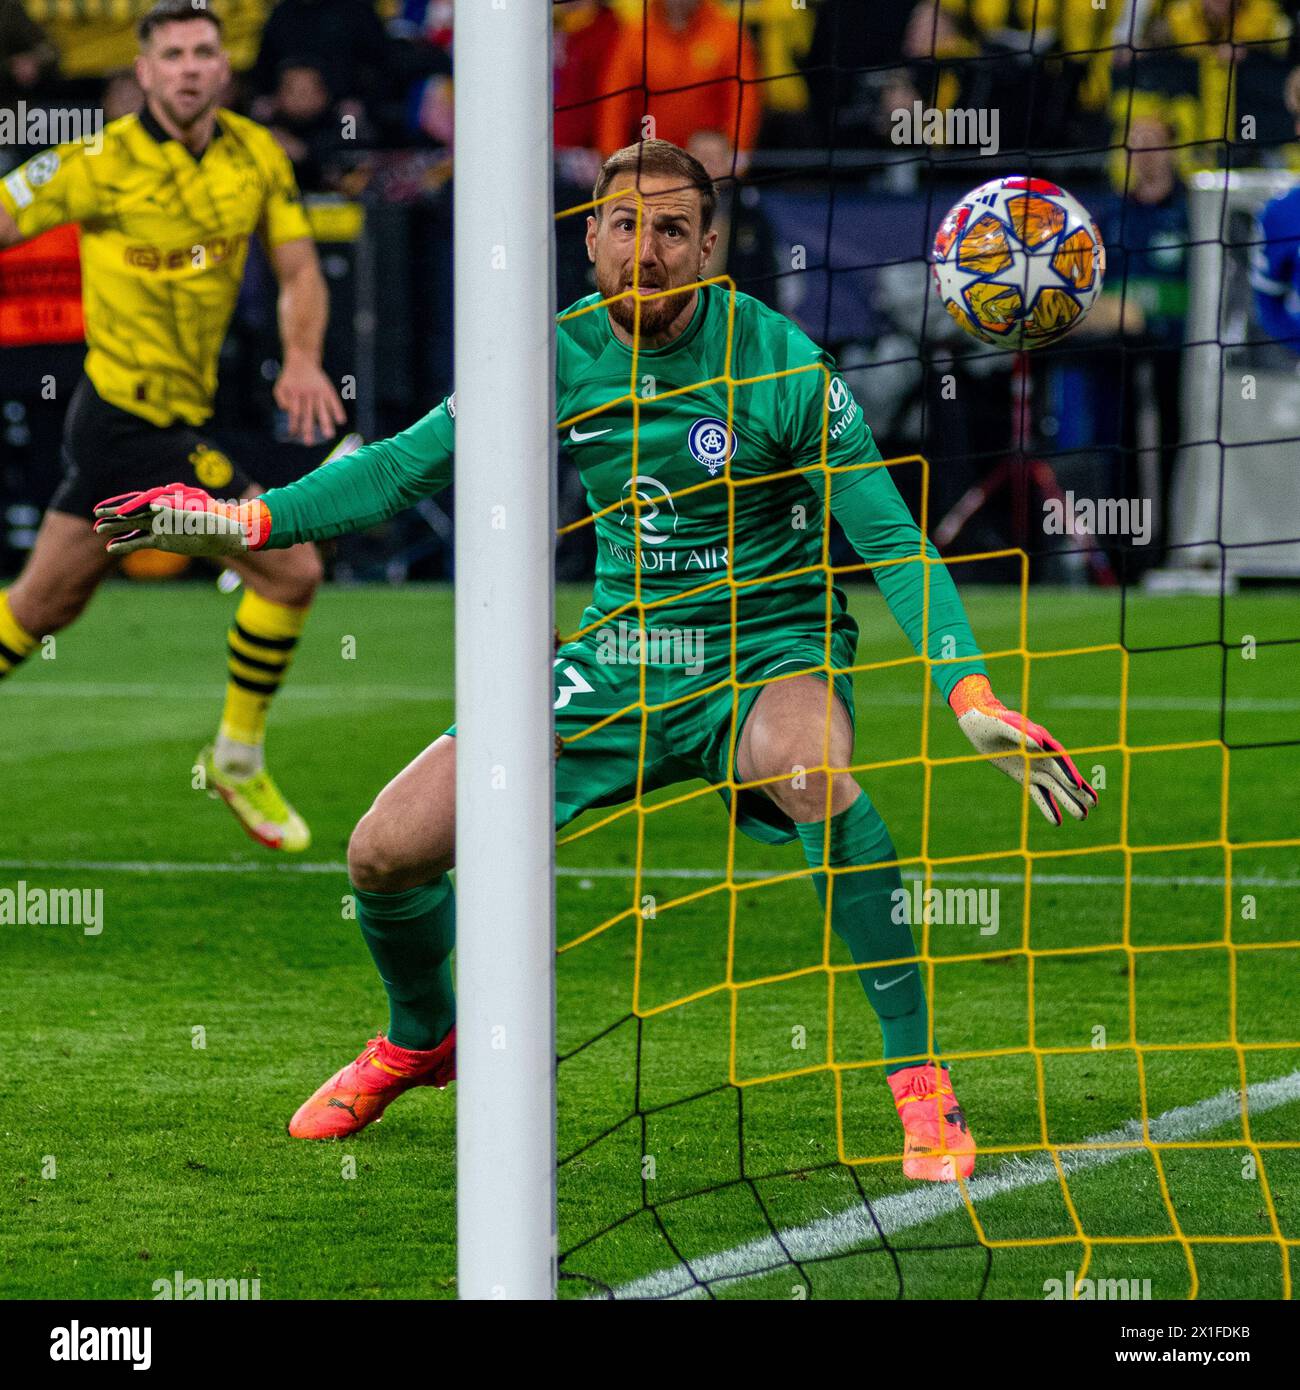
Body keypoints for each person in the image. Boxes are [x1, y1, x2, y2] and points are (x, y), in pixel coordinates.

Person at [96, 140, 1097, 1182]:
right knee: (382, 853)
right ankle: (421, 1035)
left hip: (769, 650)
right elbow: (395, 472)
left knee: (811, 773)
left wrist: (967, 689)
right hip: (622, 655)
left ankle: (918, 1080)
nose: (646, 249)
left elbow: (890, 540)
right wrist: (237, 520)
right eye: (626, 225)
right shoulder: (550, 358)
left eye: (673, 230)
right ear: (590, 240)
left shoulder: (781, 363)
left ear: (711, 246)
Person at [0, 0, 345, 852]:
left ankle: (232, 756)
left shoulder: (255, 155)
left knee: (40, 608)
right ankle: (236, 753)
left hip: (147, 423)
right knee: (292, 567)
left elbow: (299, 269)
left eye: (204, 51)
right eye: (173, 55)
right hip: (129, 423)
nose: (191, 67)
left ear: (223, 66)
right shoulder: (95, 163)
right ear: (144, 72)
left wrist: (303, 357)